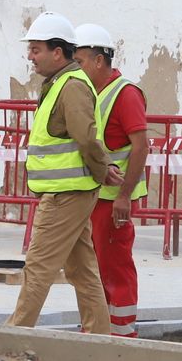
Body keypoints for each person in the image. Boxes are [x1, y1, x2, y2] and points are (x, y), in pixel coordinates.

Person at [6, 12, 122, 334]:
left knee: (38, 267)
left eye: (36, 49)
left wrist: (102, 170)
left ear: (58, 52)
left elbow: (86, 137)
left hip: (65, 195)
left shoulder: (70, 86)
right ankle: (100, 338)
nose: (31, 57)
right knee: (82, 271)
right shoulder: (60, 83)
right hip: (68, 192)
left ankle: (12, 335)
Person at [74, 23, 150, 337]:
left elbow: (141, 145)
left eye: (79, 62)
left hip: (112, 199)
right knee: (94, 267)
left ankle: (122, 331)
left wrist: (123, 196)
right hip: (94, 196)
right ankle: (99, 327)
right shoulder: (92, 91)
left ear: (99, 61)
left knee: (114, 264)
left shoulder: (125, 94)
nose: (76, 68)